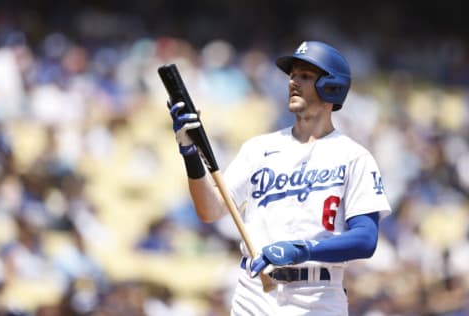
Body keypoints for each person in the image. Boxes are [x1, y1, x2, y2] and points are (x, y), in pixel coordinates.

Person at [167, 40, 392, 315]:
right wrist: (190, 153)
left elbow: (365, 240)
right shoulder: (258, 148)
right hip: (255, 293)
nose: (293, 82)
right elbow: (210, 209)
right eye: (292, 75)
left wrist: (303, 249)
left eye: (305, 76)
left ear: (332, 87)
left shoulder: (353, 156)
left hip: (318, 295)